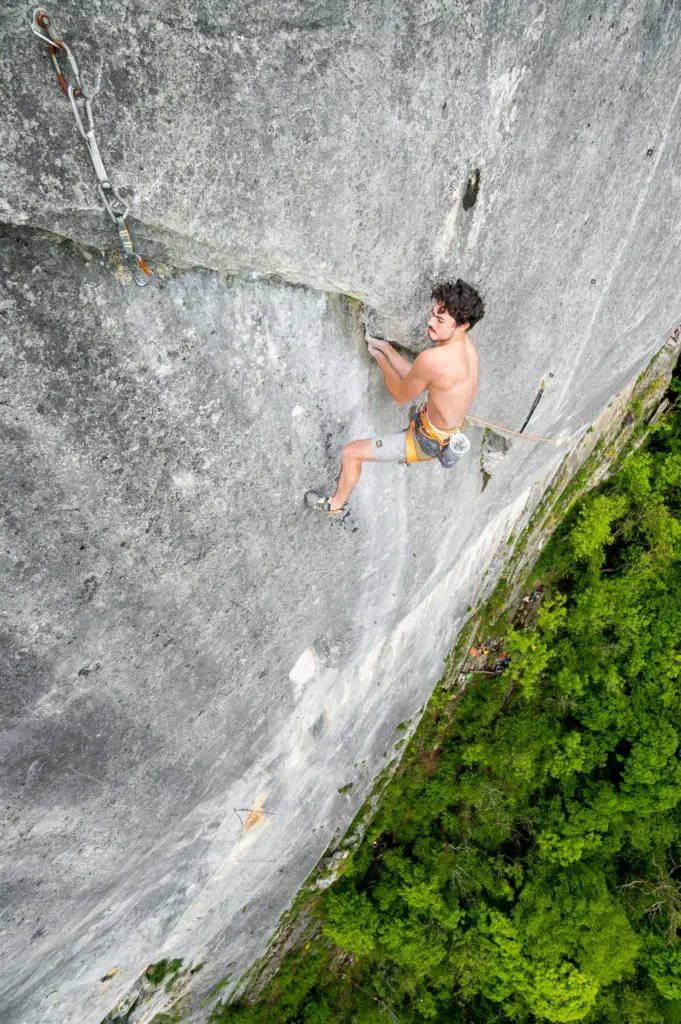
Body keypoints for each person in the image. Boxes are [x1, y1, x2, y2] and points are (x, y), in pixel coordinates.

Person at [305, 279, 485, 514]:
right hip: (441, 431)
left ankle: (335, 506)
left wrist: (379, 357)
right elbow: (418, 377)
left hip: (424, 441)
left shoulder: (435, 360)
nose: (430, 323)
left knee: (351, 453)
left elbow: (401, 394)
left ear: (462, 325)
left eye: (440, 320)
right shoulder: (467, 349)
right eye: (433, 314)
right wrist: (388, 350)